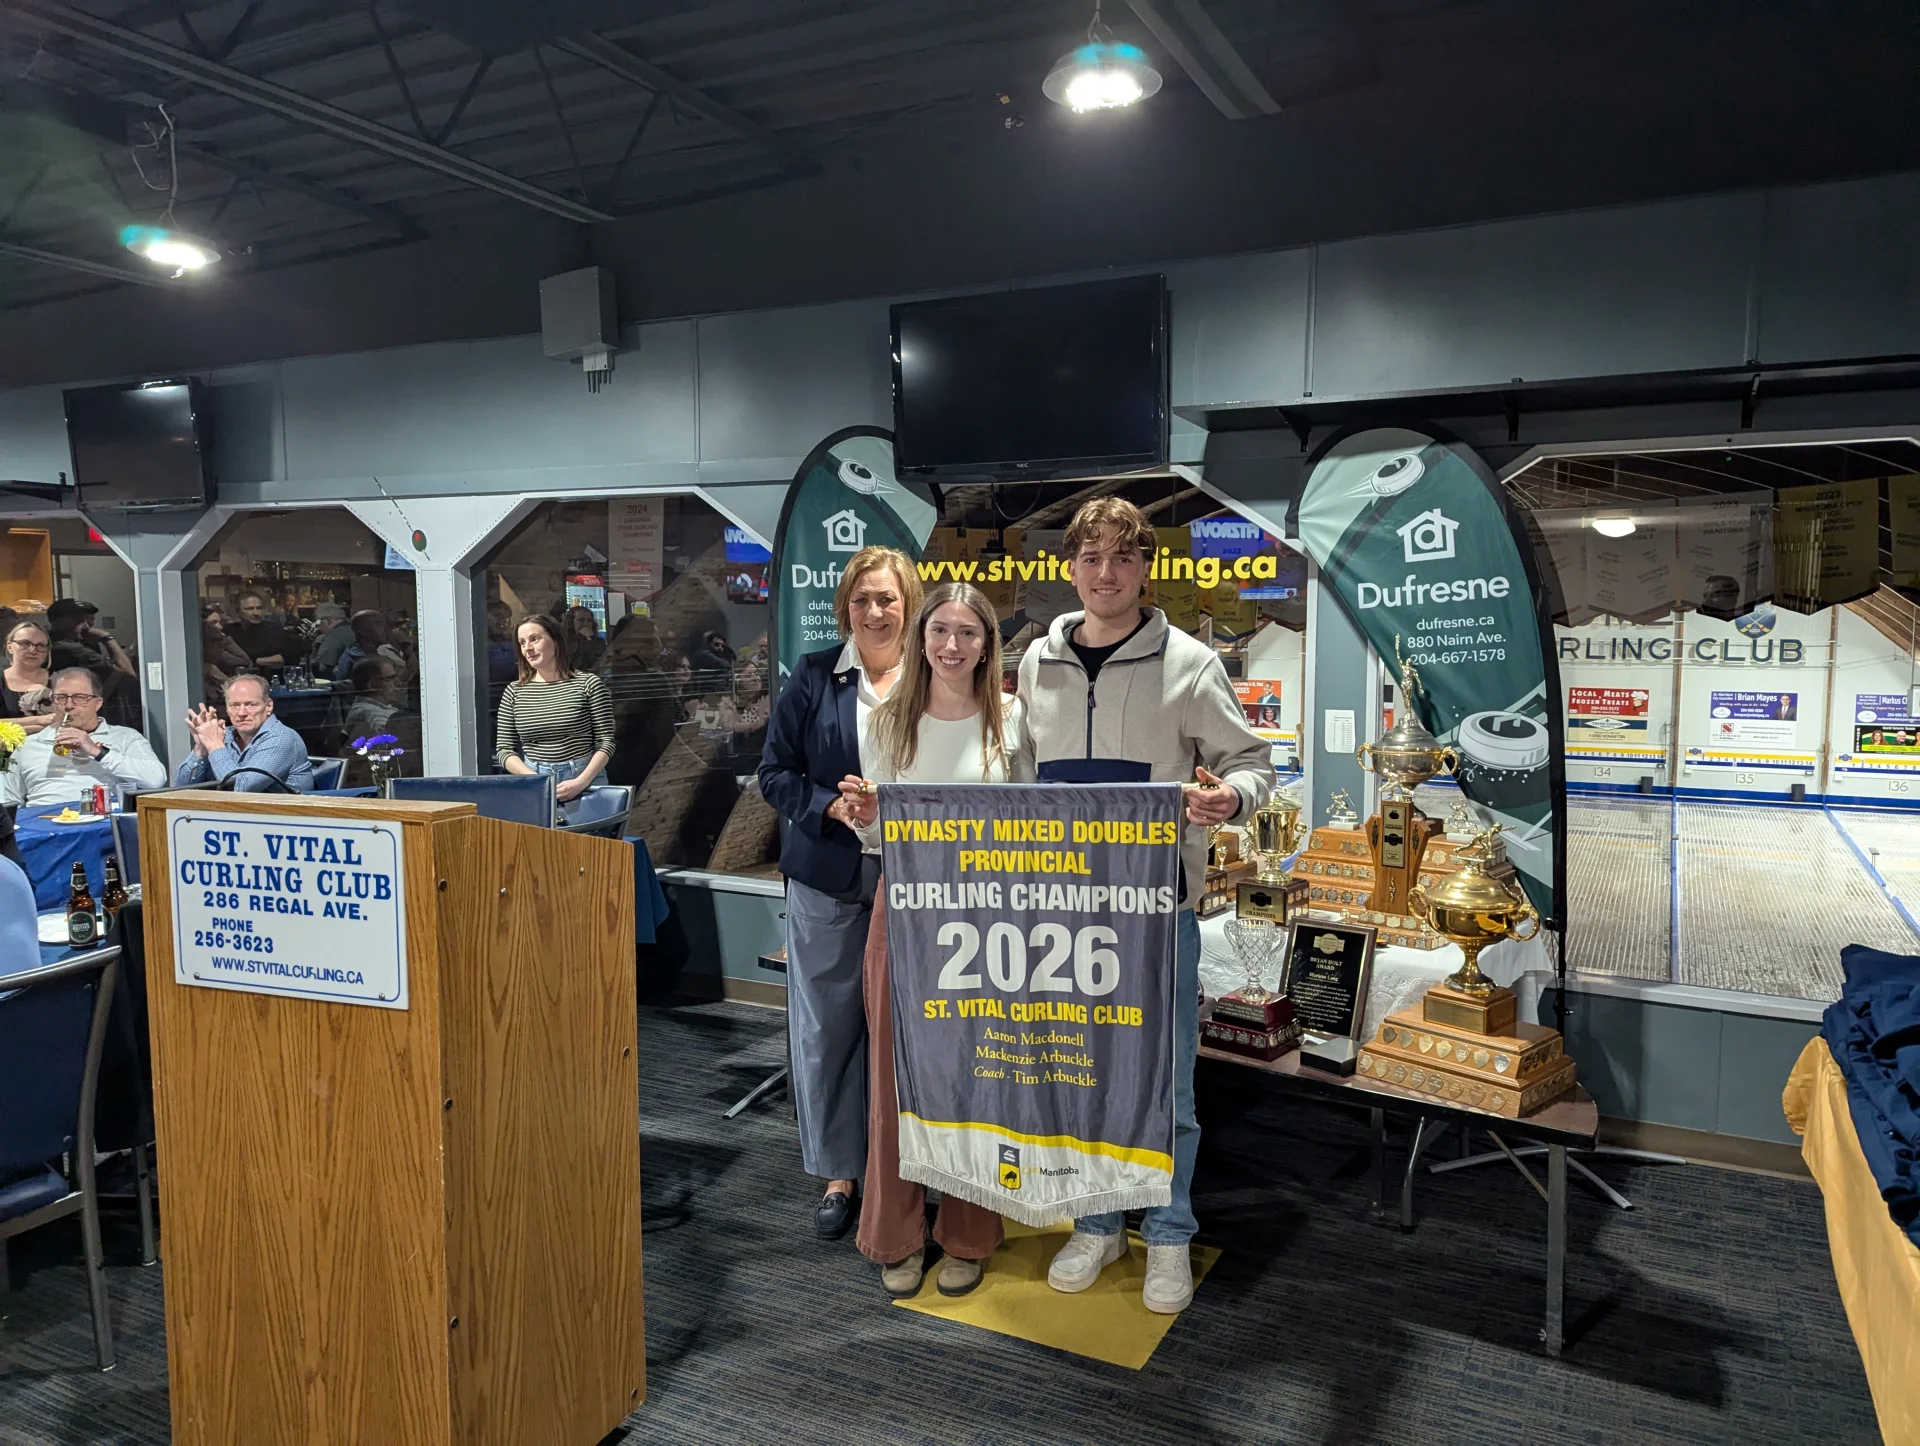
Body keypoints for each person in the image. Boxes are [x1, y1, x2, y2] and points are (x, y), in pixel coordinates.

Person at [1015, 497, 1272, 1315]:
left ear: (1146, 569)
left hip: (1157, 910)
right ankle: (1097, 1222)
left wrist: (1229, 799)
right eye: (1090, 558)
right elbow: (1018, 782)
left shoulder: (1191, 664)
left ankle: (1168, 1232)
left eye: (1121, 559)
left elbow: (1253, 764)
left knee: (1166, 1085)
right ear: (1069, 568)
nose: (1105, 574)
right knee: (1086, 1077)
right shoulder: (1035, 664)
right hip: (1066, 913)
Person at [836, 582, 1023, 1297]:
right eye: (939, 630)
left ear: (986, 644)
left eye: (968, 633)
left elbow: (1032, 822)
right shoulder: (889, 722)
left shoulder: (1012, 720)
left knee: (974, 1078)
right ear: (920, 638)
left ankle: (968, 1235)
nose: (951, 645)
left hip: (986, 917)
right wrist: (864, 817)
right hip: (907, 911)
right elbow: (879, 833)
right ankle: (897, 1234)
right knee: (894, 1078)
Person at [758, 545, 923, 1238]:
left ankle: (907, 1170)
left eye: (887, 598)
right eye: (862, 600)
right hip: (827, 875)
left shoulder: (936, 675)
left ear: (909, 603)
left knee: (908, 1031)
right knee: (826, 1029)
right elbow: (775, 773)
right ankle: (838, 1173)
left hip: (916, 878)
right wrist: (829, 805)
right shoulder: (815, 675)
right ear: (844, 610)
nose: (876, 611)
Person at [496, 614, 615, 809]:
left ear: (556, 640)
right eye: (522, 642)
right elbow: (504, 749)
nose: (528, 648)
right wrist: (538, 781)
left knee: (590, 840)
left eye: (535, 639)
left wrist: (581, 782)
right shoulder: (514, 691)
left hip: (585, 782)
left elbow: (606, 743)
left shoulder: (588, 684)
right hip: (535, 783)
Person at [0, 667, 167, 806]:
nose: (69, 705)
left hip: (102, 829)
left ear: (98, 704)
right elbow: (8, 801)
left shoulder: (125, 737)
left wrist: (97, 752)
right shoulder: (29, 745)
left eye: (80, 698)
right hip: (43, 833)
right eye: (61, 698)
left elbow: (155, 780)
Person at [175, 672, 316, 793]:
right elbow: (180, 788)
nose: (242, 713)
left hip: (283, 820)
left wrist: (214, 745)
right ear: (227, 709)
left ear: (268, 706)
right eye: (235, 705)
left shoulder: (281, 739)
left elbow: (240, 788)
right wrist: (201, 749)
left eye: (251, 704)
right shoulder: (224, 735)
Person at [47, 598, 139, 728]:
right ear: (60, 621)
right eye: (78, 620)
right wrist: (107, 638)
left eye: (87, 620)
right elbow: (128, 674)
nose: (86, 626)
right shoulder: (69, 648)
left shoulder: (68, 643)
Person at [2, 618, 57, 735]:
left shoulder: (61, 680)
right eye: (25, 643)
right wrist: (38, 722)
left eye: (41, 645)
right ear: (10, 646)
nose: (33, 650)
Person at [228, 589, 302, 671]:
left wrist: (254, 661)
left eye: (259, 608)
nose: (256, 613)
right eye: (249, 609)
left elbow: (288, 657)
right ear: (238, 611)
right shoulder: (230, 631)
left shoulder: (273, 630)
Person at [202, 604, 254, 706]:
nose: (220, 626)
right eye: (213, 623)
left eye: (220, 622)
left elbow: (246, 661)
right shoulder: (207, 661)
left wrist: (225, 640)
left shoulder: (215, 658)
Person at [343, 657, 404, 739]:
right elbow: (389, 737)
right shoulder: (368, 712)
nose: (398, 683)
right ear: (372, 685)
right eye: (390, 679)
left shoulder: (379, 707)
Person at [310, 604, 353, 678]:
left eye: (319, 623)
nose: (318, 628)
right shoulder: (354, 628)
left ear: (328, 620)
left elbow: (322, 668)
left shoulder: (333, 635)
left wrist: (314, 649)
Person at [564, 606, 607, 671]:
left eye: (589, 621)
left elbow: (600, 662)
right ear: (572, 622)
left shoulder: (599, 642)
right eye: (581, 620)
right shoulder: (564, 642)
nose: (585, 624)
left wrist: (590, 639)